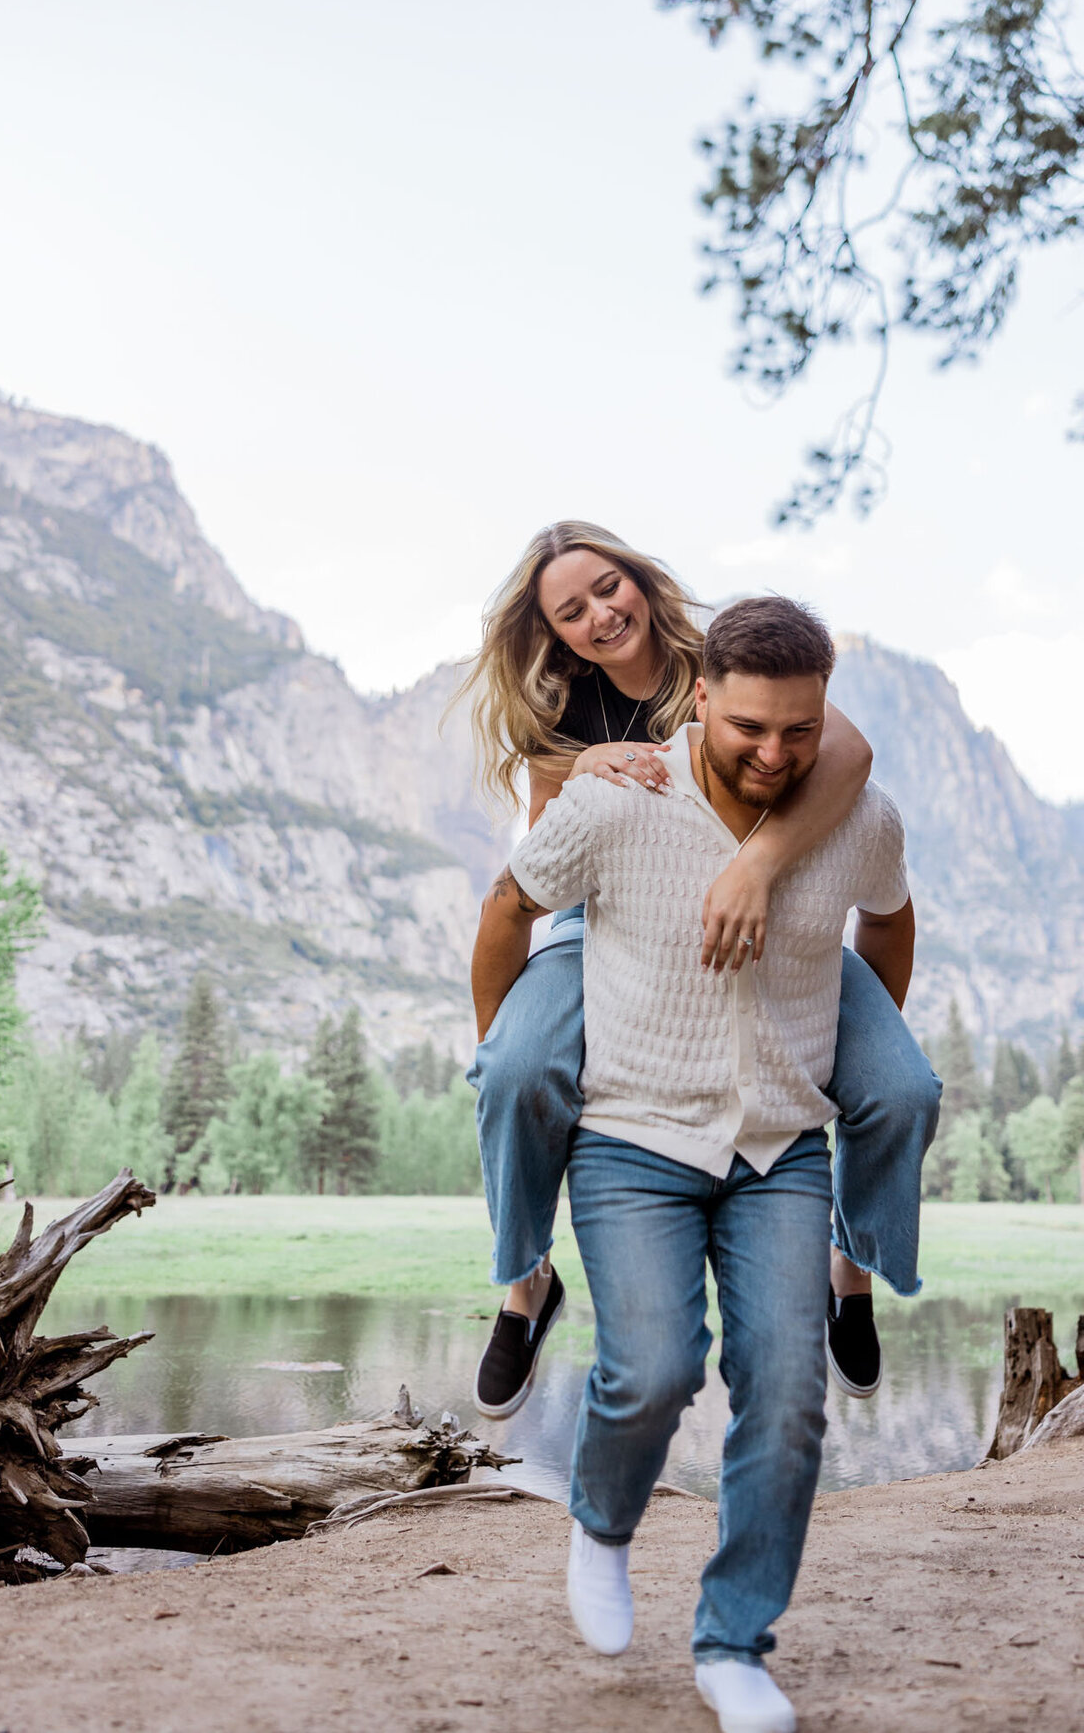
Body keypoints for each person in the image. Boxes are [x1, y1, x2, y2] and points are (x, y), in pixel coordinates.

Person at [471, 597, 919, 1733]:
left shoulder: (855, 818)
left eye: (799, 731)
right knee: (656, 1366)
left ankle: (733, 1642)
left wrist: (846, 1049)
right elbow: (510, 902)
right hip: (633, 1139)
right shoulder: (616, 802)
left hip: (779, 1148)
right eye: (750, 728)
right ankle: (604, 1522)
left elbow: (891, 917)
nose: (775, 752)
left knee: (786, 1394)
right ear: (702, 699)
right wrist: (500, 1043)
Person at [459, 523, 940, 1419]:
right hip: (607, 925)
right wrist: (573, 765)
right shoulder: (561, 711)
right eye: (573, 610)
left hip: (775, 918)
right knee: (516, 1070)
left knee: (903, 1088)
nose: (602, 614)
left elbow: (849, 756)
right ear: (555, 631)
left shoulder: (722, 660)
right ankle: (525, 1283)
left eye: (609, 586)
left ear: (637, 578)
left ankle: (851, 1267)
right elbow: (539, 860)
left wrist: (758, 868)